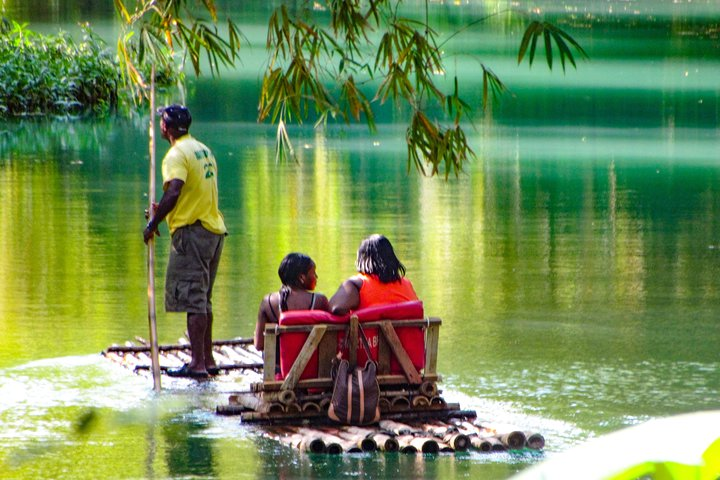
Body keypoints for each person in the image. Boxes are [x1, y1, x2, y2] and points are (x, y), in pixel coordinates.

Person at [143, 104, 227, 379]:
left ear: (166, 128)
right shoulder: (202, 150)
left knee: (194, 300)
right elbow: (190, 191)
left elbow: (176, 189)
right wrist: (163, 210)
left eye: (162, 123)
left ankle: (197, 364)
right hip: (212, 229)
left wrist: (153, 224)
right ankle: (209, 359)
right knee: (203, 299)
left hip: (193, 233)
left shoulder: (175, 154)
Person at [255, 253, 330, 351]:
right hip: (311, 364)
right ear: (301, 278)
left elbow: (259, 345)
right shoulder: (319, 301)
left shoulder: (267, 301)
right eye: (314, 273)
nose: (317, 276)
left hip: (278, 365)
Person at [329, 234, 418, 315]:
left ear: (361, 258)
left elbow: (336, 308)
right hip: (407, 333)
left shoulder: (356, 285)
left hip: (369, 333)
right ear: (392, 258)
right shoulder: (407, 284)